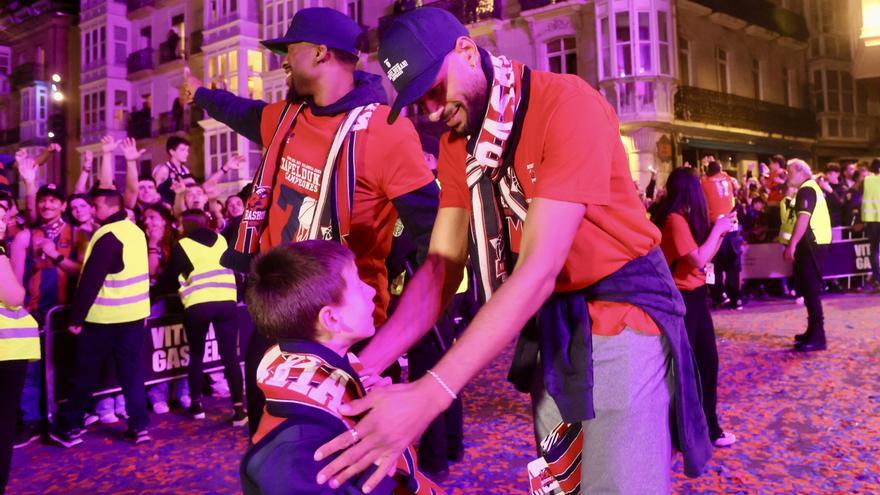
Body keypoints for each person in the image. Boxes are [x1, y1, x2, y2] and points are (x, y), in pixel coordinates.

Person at [313, 8, 711, 494]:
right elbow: (441, 267)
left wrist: (431, 394)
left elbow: (539, 269)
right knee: (564, 482)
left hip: (621, 309)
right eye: (418, 99)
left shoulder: (567, 104)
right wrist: (360, 369)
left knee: (616, 486)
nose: (432, 111)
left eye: (434, 89)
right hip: (555, 324)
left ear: (466, 51)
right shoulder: (459, 143)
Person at [180, 7, 438, 435]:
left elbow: (437, 236)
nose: (283, 61)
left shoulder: (384, 131)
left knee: (342, 452)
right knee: (270, 446)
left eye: (290, 50)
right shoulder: (287, 118)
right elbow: (239, 111)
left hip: (343, 331)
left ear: (320, 53)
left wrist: (399, 333)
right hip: (276, 321)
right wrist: (201, 94)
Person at [240, 240, 442, 495]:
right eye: (358, 284)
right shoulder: (299, 441)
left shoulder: (323, 371)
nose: (370, 291)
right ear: (331, 318)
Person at [49, 188, 151, 447]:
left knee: (85, 375)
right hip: (134, 316)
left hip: (103, 319)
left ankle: (67, 427)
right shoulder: (136, 232)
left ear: (111, 207)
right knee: (131, 374)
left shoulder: (107, 235)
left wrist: (76, 318)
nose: (92, 210)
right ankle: (139, 427)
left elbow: (90, 280)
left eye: (96, 206)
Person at [653, 167, 738, 448]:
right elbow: (698, 259)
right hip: (683, 299)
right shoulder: (675, 220)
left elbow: (704, 258)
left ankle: (704, 427)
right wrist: (718, 230)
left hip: (695, 296)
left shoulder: (680, 218)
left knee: (705, 363)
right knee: (691, 367)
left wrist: (721, 232)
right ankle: (692, 431)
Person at [151, 209, 245, 425]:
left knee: (196, 355)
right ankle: (239, 409)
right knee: (230, 357)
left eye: (180, 223)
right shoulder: (221, 240)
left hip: (198, 305)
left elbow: (168, 279)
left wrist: (149, 298)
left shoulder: (183, 245)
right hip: (226, 303)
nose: (178, 227)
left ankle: (196, 406)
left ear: (187, 224)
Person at [10, 180, 84, 448]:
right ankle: (31, 421)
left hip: (65, 316)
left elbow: (83, 272)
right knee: (31, 371)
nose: (47, 204)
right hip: (34, 315)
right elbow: (15, 279)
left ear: (63, 205)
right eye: (43, 199)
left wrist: (55, 256)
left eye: (53, 200)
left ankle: (63, 420)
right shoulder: (25, 236)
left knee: (64, 368)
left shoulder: (78, 234)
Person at [0, 201, 41, 493]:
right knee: (3, 423)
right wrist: (21, 287)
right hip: (6, 348)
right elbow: (14, 297)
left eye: (4, 218)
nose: (2, 224)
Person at [783, 159, 831, 352]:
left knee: (811, 290)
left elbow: (804, 218)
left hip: (812, 244)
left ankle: (818, 336)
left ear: (801, 172)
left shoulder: (807, 189)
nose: (787, 176)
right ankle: (813, 331)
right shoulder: (810, 188)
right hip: (815, 242)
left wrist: (792, 245)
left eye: (790, 172)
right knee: (808, 290)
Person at [701, 161, 743, 309]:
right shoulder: (728, 179)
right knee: (733, 266)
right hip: (732, 228)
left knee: (712, 265)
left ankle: (717, 297)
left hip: (714, 228)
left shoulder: (704, 183)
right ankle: (736, 299)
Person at [153, 136, 194, 204]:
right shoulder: (164, 170)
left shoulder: (185, 170)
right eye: (183, 150)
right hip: (166, 206)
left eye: (187, 150)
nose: (187, 153)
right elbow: (153, 191)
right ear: (172, 152)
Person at [859, 159, 880, 292]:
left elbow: (858, 197)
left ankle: (877, 280)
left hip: (871, 221)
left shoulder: (866, 180)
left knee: (874, 251)